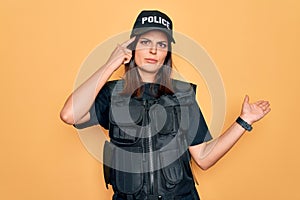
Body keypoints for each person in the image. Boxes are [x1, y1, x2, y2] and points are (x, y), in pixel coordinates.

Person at [60, 10, 271, 200]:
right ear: (132, 47)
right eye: (145, 42)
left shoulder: (183, 95)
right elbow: (69, 115)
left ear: (166, 53)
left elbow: (204, 158)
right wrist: (110, 64)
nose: (153, 50)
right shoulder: (112, 93)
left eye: (161, 45)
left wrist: (243, 121)